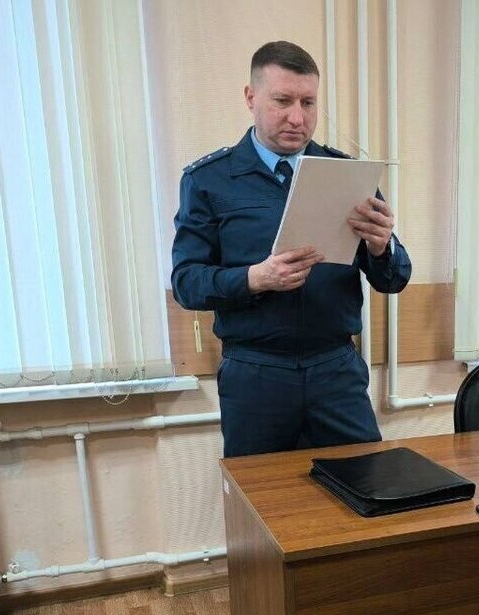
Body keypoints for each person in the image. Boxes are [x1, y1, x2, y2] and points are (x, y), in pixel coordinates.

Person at [172, 41, 412, 457]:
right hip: (256, 373)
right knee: (261, 494)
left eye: (308, 103)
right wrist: (255, 278)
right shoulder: (209, 180)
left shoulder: (346, 174)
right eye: (282, 101)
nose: (297, 118)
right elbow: (186, 282)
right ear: (251, 97)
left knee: (364, 483)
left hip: (336, 369)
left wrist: (381, 248)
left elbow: (394, 279)